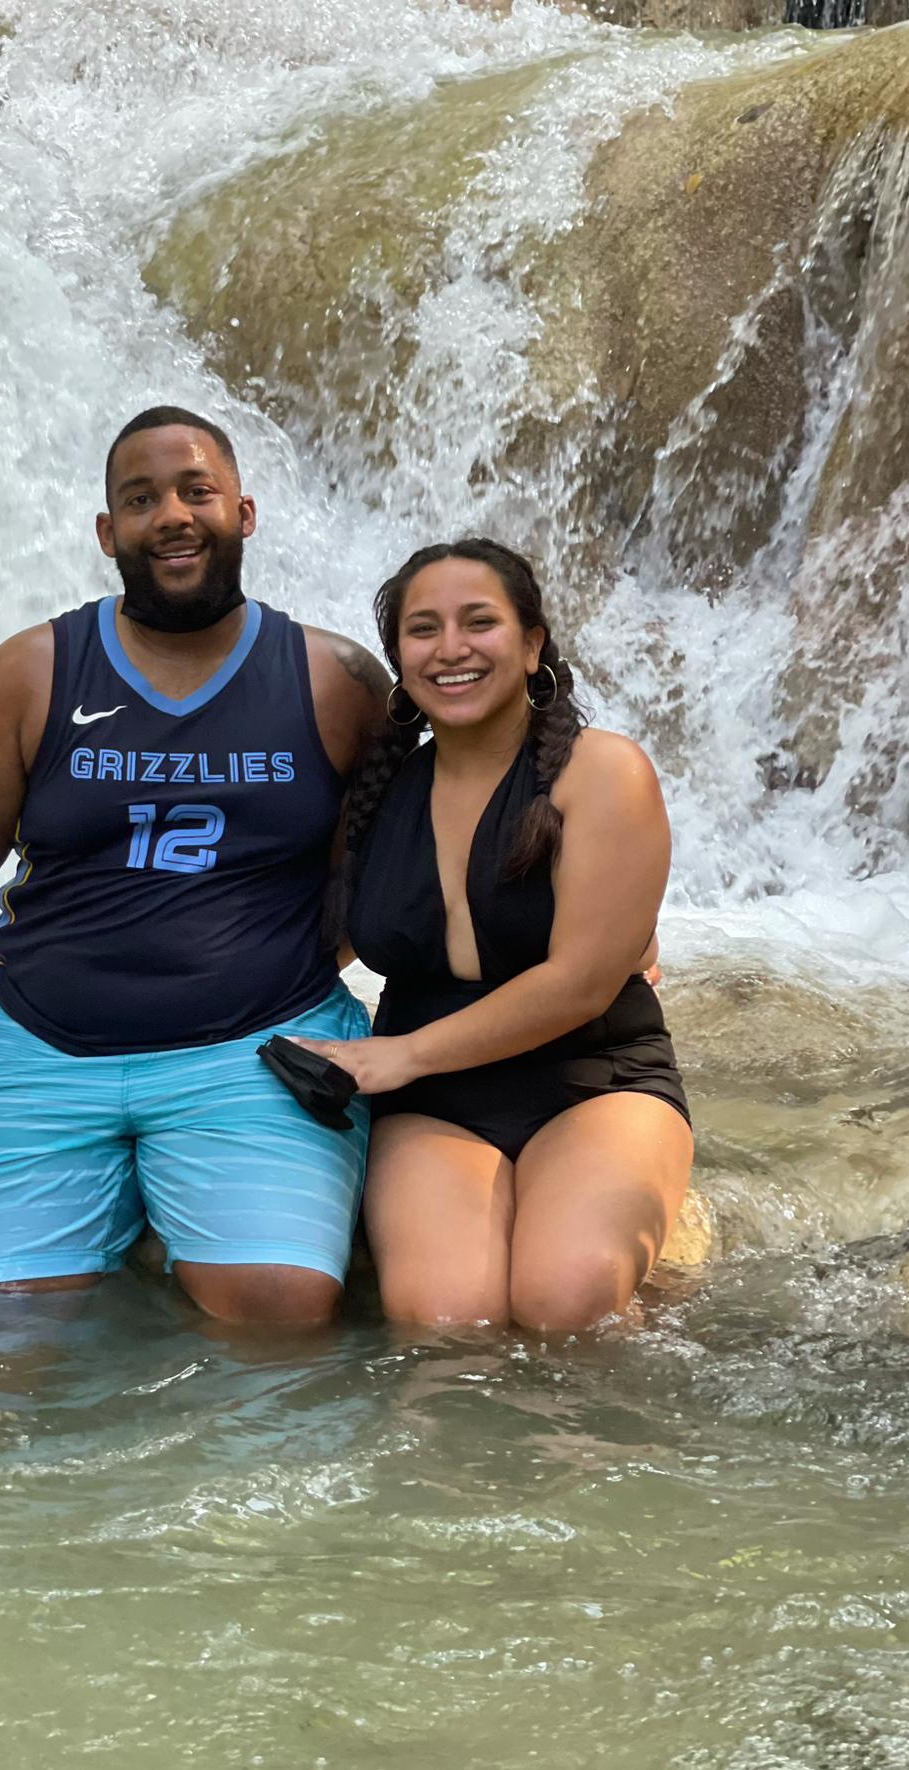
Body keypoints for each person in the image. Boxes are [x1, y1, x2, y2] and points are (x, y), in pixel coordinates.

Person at [0, 406, 389, 1324]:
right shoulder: (31, 673)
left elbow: (410, 849)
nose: (173, 516)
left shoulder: (333, 680)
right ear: (109, 532)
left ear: (246, 512)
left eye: (197, 492)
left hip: (256, 1048)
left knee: (282, 1309)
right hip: (39, 1047)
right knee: (4, 1333)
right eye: (141, 500)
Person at [291, 537, 692, 1332]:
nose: (451, 650)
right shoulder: (377, 795)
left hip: (592, 1076)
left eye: (480, 622)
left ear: (533, 642)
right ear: (399, 657)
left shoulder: (602, 773)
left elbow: (579, 982)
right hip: (434, 1103)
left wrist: (397, 1055)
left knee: (568, 1301)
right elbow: (320, 942)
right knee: (445, 1321)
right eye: (423, 630)